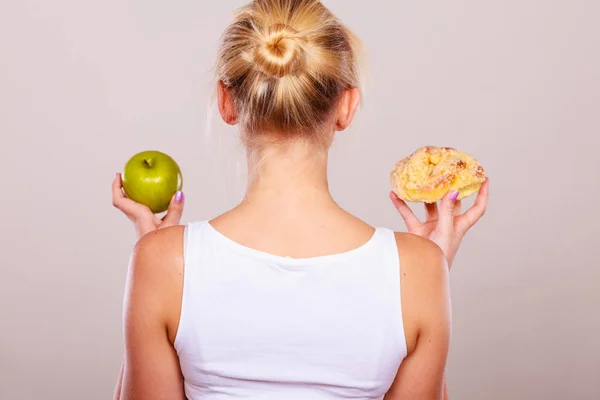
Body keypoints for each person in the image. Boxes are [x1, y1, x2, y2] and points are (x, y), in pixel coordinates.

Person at [111, 1, 489, 399]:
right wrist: (429, 277)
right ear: (347, 107)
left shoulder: (161, 262)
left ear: (226, 102)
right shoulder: (421, 268)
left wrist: (150, 273)